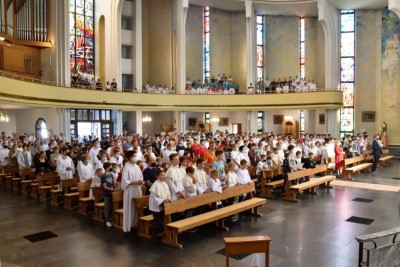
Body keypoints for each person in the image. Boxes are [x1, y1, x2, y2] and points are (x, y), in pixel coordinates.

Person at [121, 150, 144, 232]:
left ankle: (136, 224)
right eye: (135, 156)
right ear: (130, 157)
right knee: (130, 208)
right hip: (130, 190)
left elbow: (141, 177)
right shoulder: (126, 167)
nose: (136, 157)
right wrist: (135, 182)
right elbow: (124, 181)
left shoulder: (137, 167)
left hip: (137, 189)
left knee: (137, 208)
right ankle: (129, 226)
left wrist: (141, 181)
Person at [149, 168, 171, 240]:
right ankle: (154, 236)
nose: (163, 177)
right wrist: (162, 201)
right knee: (157, 221)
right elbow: (154, 197)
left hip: (164, 205)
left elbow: (168, 193)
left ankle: (161, 234)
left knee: (162, 221)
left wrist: (168, 199)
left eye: (164, 175)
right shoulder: (155, 185)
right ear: (157, 176)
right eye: (161, 175)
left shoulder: (165, 183)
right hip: (156, 207)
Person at [101, 162, 118, 227]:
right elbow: (105, 186)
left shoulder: (110, 174)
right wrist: (112, 190)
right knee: (107, 207)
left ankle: (112, 219)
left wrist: (115, 188)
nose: (112, 168)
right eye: (110, 167)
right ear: (107, 168)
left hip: (112, 193)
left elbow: (113, 182)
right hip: (106, 193)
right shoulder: (104, 175)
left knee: (112, 207)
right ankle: (107, 220)